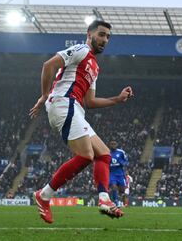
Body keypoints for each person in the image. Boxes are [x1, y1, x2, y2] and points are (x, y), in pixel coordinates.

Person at [29, 20, 133, 224]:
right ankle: (44, 195)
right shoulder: (81, 50)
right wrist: (44, 95)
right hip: (63, 103)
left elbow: (90, 101)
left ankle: (104, 199)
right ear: (90, 34)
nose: (104, 40)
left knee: (103, 155)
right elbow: (48, 65)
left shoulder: (94, 67)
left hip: (76, 108)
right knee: (86, 156)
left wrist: (117, 99)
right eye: (101, 34)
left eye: (108, 37)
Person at [108, 140, 129, 207]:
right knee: (114, 187)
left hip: (120, 174)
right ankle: (115, 202)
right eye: (112, 144)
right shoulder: (107, 153)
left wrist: (122, 163)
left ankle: (124, 204)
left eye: (114, 144)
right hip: (112, 174)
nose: (113, 145)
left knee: (122, 191)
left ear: (117, 144)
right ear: (109, 145)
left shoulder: (121, 152)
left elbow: (126, 161)